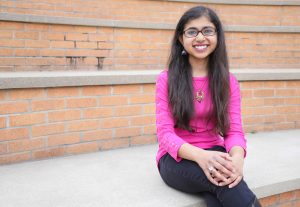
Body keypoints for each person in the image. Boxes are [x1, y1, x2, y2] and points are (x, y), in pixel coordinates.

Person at [155, 6, 262, 207]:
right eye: (192, 31)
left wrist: (237, 159)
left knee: (221, 189)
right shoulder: (167, 80)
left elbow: (234, 130)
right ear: (181, 39)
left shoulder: (228, 81)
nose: (200, 37)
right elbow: (164, 134)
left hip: (214, 150)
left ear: (217, 37)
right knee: (224, 182)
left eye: (208, 30)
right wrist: (202, 157)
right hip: (175, 158)